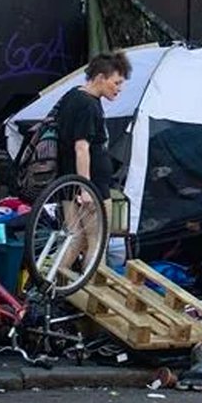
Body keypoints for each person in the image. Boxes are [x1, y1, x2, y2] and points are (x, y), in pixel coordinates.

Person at [53, 52, 130, 274]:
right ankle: (92, 297)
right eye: (116, 83)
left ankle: (46, 288)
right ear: (100, 78)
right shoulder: (88, 105)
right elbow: (81, 147)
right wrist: (86, 188)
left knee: (75, 238)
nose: (119, 89)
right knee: (97, 243)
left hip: (68, 183)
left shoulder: (72, 96)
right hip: (91, 185)